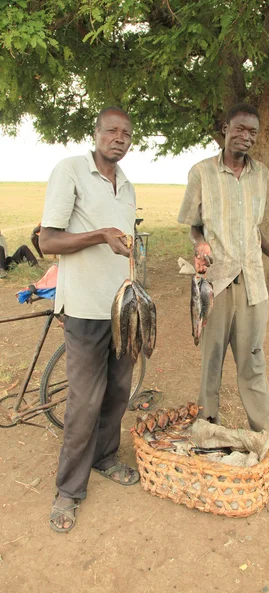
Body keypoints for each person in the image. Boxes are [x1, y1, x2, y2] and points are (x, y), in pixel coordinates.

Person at [178, 103, 269, 462]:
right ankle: (207, 434)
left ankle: (268, 439)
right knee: (211, 365)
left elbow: (254, 229)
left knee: (253, 362)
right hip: (215, 284)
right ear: (225, 128)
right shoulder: (202, 172)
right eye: (241, 129)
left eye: (253, 132)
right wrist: (199, 243)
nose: (246, 137)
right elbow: (193, 223)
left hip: (252, 284)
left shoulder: (261, 174)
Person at [40, 107, 139, 533]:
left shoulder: (128, 185)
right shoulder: (71, 171)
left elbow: (126, 246)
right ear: (95, 133)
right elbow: (47, 240)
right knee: (84, 401)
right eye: (112, 131)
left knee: (118, 390)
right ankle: (68, 490)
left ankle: (105, 457)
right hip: (83, 307)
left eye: (127, 134)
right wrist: (100, 234)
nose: (119, 138)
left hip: (122, 308)